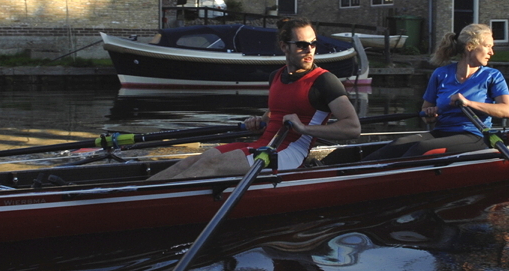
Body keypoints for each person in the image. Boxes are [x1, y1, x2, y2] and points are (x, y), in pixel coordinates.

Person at [148, 16, 362, 181]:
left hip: (290, 153)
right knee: (195, 160)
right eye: (301, 45)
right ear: (284, 47)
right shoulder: (276, 76)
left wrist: (304, 129)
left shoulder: (325, 81)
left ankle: (148, 204)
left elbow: (352, 128)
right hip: (263, 144)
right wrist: (261, 122)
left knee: (209, 166)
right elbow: (275, 115)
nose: (309, 50)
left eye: (313, 44)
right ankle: (133, 193)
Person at [365, 23, 509, 159]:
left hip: (475, 134)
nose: (491, 52)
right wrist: (430, 115)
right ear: (470, 46)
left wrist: (468, 103)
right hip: (441, 132)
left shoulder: (492, 76)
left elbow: (507, 111)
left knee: (422, 147)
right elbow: (426, 112)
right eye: (488, 46)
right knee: (397, 144)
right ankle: (358, 173)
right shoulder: (441, 74)